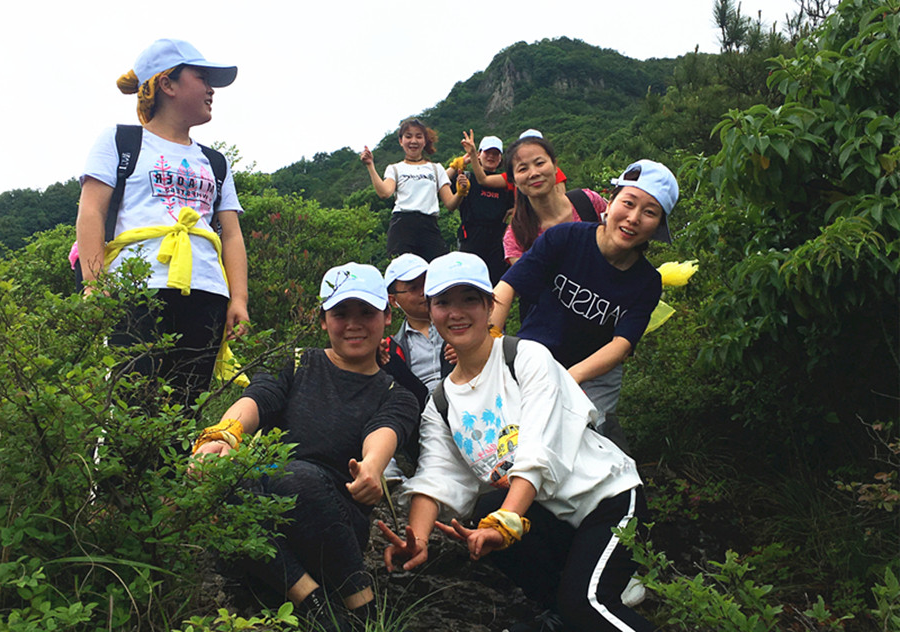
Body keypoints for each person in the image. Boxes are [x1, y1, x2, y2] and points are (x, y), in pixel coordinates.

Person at [378, 252, 654, 632]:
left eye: (469, 299)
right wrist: (419, 538)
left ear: (490, 305)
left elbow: (538, 448)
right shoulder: (441, 402)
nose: (456, 313)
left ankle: (584, 602)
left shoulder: (525, 358)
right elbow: (436, 476)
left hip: (605, 499)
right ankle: (564, 609)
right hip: (548, 515)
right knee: (487, 513)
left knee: (586, 604)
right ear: (431, 310)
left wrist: (506, 522)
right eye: (443, 302)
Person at [192, 262, 418, 629]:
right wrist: (224, 433)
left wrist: (371, 468)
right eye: (340, 313)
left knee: (295, 477)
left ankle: (361, 605)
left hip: (333, 523)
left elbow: (384, 432)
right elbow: (260, 397)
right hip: (268, 522)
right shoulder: (296, 363)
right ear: (323, 320)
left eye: (366, 312)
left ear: (387, 316)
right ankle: (315, 603)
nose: (354, 324)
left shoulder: (396, 394)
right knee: (228, 480)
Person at [75, 38, 249, 412]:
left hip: (206, 291)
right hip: (136, 290)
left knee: (186, 408)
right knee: (130, 406)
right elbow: (91, 212)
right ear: (167, 84)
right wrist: (94, 285)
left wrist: (239, 299)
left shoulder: (215, 161)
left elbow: (231, 234)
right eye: (202, 78)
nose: (211, 90)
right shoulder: (121, 141)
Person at [491, 159, 678, 453]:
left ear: (657, 226)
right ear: (611, 202)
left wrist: (568, 379)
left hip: (592, 377)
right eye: (628, 203)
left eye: (649, 212)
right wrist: (489, 339)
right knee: (510, 438)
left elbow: (621, 345)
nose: (633, 218)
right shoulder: (565, 237)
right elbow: (508, 286)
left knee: (571, 445)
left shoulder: (646, 282)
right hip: (533, 357)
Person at [360, 118, 461, 261]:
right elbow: (384, 193)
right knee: (403, 271)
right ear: (401, 141)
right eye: (408, 136)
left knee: (437, 268)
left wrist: (461, 192)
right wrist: (370, 165)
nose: (413, 141)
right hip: (402, 226)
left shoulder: (436, 169)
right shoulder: (395, 168)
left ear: (425, 141)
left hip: (429, 226)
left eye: (418, 136)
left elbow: (450, 204)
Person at [446, 135, 515, 285]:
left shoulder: (504, 181)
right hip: (471, 235)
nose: (491, 157)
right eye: (487, 152)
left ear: (500, 158)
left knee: (496, 281)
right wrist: (460, 162)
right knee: (469, 280)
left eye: (495, 153)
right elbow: (440, 181)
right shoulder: (467, 177)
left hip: (497, 238)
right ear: (479, 154)